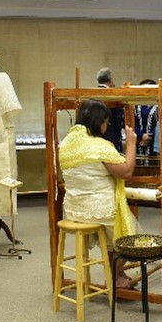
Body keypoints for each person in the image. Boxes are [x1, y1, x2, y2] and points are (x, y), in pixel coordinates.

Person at [58, 99, 138, 289]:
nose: (106, 126)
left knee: (113, 238)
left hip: (74, 211)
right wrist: (131, 144)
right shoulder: (99, 146)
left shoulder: (66, 143)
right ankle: (112, 275)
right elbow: (126, 171)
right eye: (105, 122)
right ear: (98, 121)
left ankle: (118, 275)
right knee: (132, 239)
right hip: (100, 211)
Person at [96, 67, 125, 152]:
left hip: (95, 137)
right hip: (112, 135)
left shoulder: (91, 94)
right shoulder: (113, 95)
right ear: (111, 80)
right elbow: (120, 118)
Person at [134, 79, 158, 159]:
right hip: (139, 140)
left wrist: (149, 137)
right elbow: (134, 123)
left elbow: (161, 124)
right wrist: (142, 135)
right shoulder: (135, 105)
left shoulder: (159, 105)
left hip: (155, 140)